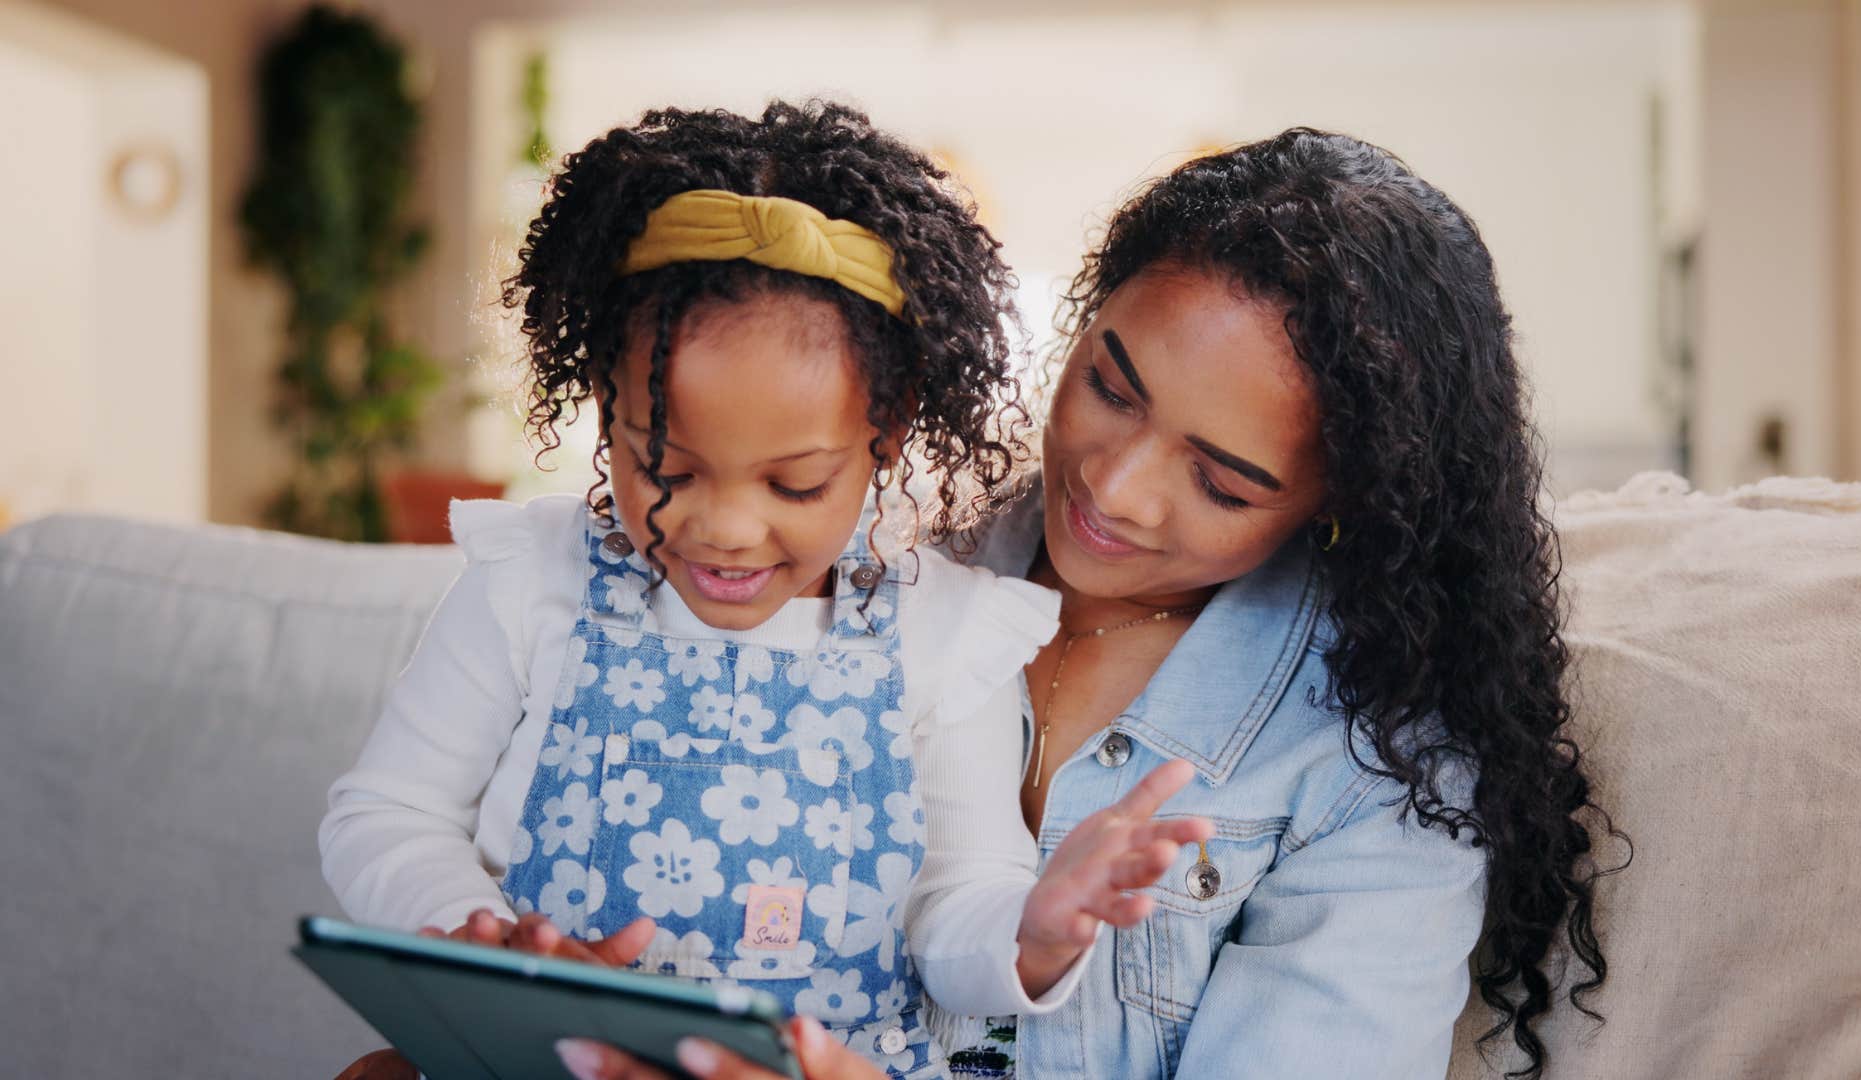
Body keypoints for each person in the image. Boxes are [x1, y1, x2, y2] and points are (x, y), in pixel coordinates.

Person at [555, 126, 1616, 1080]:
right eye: (1110, 387)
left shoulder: (1369, 775)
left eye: (1223, 483)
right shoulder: (864, 558)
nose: (1113, 489)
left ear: (1344, 500)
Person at [319, 100, 1211, 1079]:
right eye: (666, 467)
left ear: (887, 432)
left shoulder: (947, 634)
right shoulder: (530, 580)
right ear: (606, 408)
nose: (727, 529)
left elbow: (956, 905)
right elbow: (386, 815)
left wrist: (1032, 931)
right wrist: (480, 940)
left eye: (795, 485)